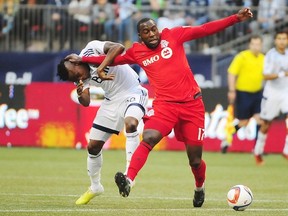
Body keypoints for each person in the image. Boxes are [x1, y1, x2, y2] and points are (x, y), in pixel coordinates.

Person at [69, 7, 253, 208]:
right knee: (149, 137)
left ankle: (199, 187)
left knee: (195, 161)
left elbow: (205, 29)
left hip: (193, 105)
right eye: (146, 32)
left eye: (153, 29)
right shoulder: (137, 52)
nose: (152, 34)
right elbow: (115, 58)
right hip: (165, 106)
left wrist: (236, 18)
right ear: (140, 36)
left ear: (158, 29)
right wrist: (83, 59)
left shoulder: (174, 35)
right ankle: (129, 179)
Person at [57, 40, 148, 205]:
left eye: (76, 74)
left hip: (133, 91)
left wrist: (100, 67)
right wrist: (79, 92)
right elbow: (85, 101)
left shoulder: (91, 48)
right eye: (75, 79)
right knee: (92, 146)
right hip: (111, 101)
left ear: (74, 60)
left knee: (131, 123)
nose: (79, 78)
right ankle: (95, 186)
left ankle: (129, 177)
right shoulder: (79, 78)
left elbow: (118, 48)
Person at [221, 35, 265, 153]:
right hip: (243, 93)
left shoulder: (263, 58)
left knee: (259, 119)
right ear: (249, 45)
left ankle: (257, 148)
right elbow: (231, 73)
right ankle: (227, 139)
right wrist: (232, 90)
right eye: (254, 44)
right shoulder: (242, 57)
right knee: (243, 122)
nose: (256, 47)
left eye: (258, 44)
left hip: (258, 93)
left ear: (261, 46)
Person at [253, 31, 288, 165]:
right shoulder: (270, 55)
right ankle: (258, 151)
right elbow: (266, 75)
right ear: (275, 41)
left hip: (286, 92)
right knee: (266, 124)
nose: (282, 41)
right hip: (272, 93)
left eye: (284, 38)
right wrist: (282, 74)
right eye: (279, 38)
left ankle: (286, 151)